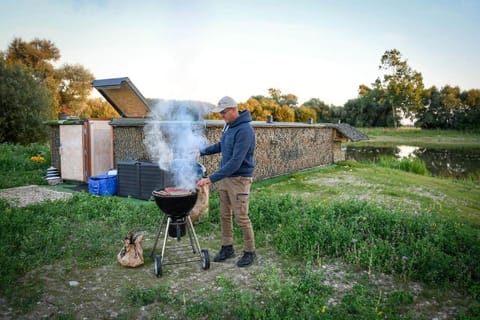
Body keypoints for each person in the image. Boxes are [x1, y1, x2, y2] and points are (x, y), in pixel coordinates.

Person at [197, 96, 256, 267]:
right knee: (224, 215)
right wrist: (200, 152)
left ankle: (250, 251)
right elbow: (221, 145)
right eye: (220, 113)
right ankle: (227, 247)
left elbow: (235, 162)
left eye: (223, 112)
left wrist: (210, 178)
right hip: (226, 178)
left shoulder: (245, 130)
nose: (221, 115)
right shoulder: (228, 126)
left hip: (239, 180)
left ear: (233, 110)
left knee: (242, 217)